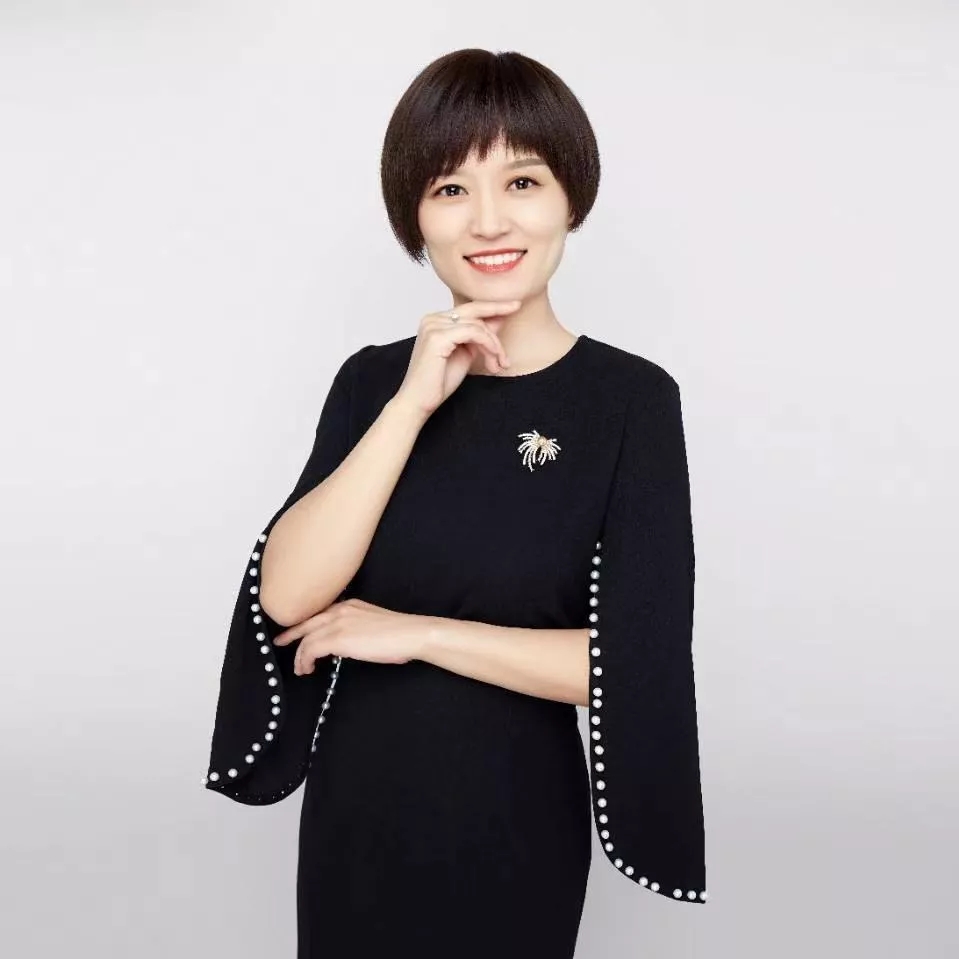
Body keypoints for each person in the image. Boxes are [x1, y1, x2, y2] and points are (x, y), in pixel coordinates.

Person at [202, 47, 708, 958]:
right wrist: (410, 405)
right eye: (448, 189)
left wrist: (418, 633)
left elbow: (634, 661)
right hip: (359, 808)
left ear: (570, 199)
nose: (487, 221)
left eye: (521, 181)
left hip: (519, 814)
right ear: (415, 217)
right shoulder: (371, 383)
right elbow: (284, 596)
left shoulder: (628, 400)